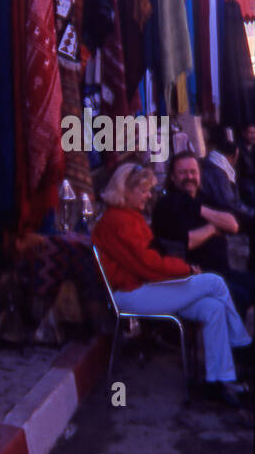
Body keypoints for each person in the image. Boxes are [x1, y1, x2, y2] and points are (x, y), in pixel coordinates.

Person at [93, 162, 251, 407]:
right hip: (131, 293)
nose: (148, 196)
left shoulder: (129, 217)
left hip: (144, 287)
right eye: (143, 191)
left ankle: (218, 381)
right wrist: (186, 269)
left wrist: (182, 271)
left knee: (213, 308)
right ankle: (242, 346)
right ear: (126, 191)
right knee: (214, 282)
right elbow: (148, 265)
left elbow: (151, 262)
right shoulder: (118, 221)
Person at [152, 151, 254, 314]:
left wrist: (198, 208)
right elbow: (188, 242)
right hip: (195, 279)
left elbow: (232, 224)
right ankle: (228, 339)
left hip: (222, 272)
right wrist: (213, 228)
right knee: (240, 297)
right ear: (172, 177)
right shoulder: (168, 204)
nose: (189, 177)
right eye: (182, 173)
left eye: (193, 172)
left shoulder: (203, 197)